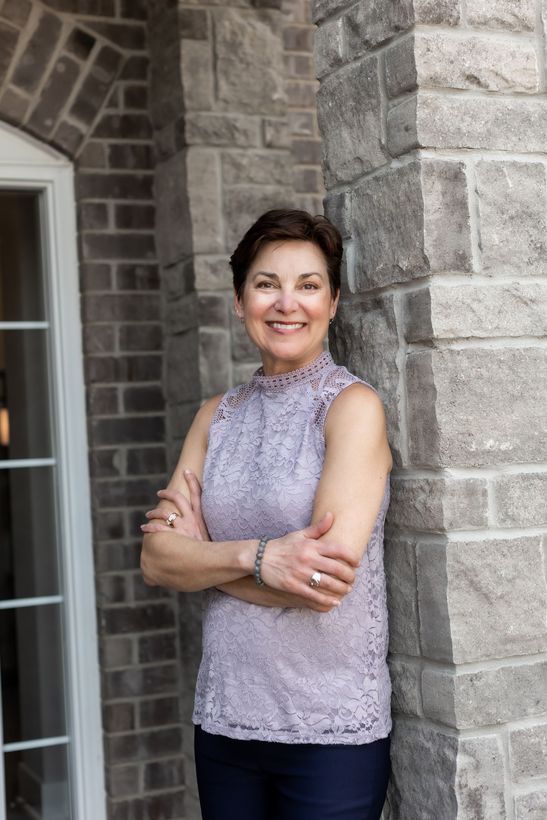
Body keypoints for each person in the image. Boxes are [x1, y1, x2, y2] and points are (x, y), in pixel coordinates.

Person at [140, 209, 393, 820]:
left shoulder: (351, 409)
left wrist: (199, 558)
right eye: (266, 284)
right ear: (239, 300)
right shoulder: (214, 417)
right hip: (226, 719)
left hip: (329, 729)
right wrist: (259, 557)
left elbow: (321, 582)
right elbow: (155, 560)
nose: (287, 303)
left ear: (333, 302)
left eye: (308, 285)